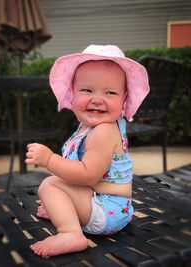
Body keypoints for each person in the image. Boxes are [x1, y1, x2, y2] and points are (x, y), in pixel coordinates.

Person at [25, 45, 149, 258]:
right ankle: (68, 213)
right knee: (56, 185)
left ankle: (70, 233)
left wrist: (49, 159)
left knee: (50, 184)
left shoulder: (104, 131)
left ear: (123, 99)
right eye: (87, 90)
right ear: (72, 94)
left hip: (107, 210)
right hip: (103, 202)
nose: (97, 99)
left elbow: (87, 174)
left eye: (110, 92)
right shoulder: (89, 127)